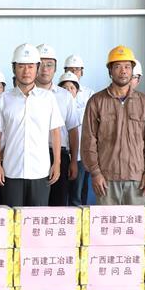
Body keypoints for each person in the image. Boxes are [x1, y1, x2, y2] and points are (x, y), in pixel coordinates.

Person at [81, 46, 145, 205]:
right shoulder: (96, 101)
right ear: (110, 70)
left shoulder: (143, 101)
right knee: (107, 221)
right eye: (117, 66)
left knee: (134, 221)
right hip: (106, 179)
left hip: (136, 179)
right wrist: (95, 173)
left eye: (127, 67)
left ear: (132, 71)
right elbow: (88, 141)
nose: (123, 71)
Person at [0, 43, 63, 207]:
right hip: (11, 171)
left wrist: (57, 163)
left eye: (30, 66)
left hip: (40, 171)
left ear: (37, 68)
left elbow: (55, 132)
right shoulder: (4, 99)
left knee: (36, 219)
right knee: (13, 217)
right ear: (14, 69)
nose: (26, 71)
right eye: (21, 66)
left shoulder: (48, 98)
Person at [36, 44, 80, 206]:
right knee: (34, 206)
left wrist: (73, 161)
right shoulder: (25, 95)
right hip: (33, 154)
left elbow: (73, 130)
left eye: (49, 65)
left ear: (55, 69)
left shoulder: (65, 96)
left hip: (60, 156)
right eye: (40, 64)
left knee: (58, 204)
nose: (45, 69)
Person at [58, 71, 87, 206]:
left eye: (72, 88)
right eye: (65, 88)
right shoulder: (55, 107)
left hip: (79, 157)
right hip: (61, 154)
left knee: (76, 194)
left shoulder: (83, 110)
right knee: (61, 193)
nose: (68, 91)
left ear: (77, 91)